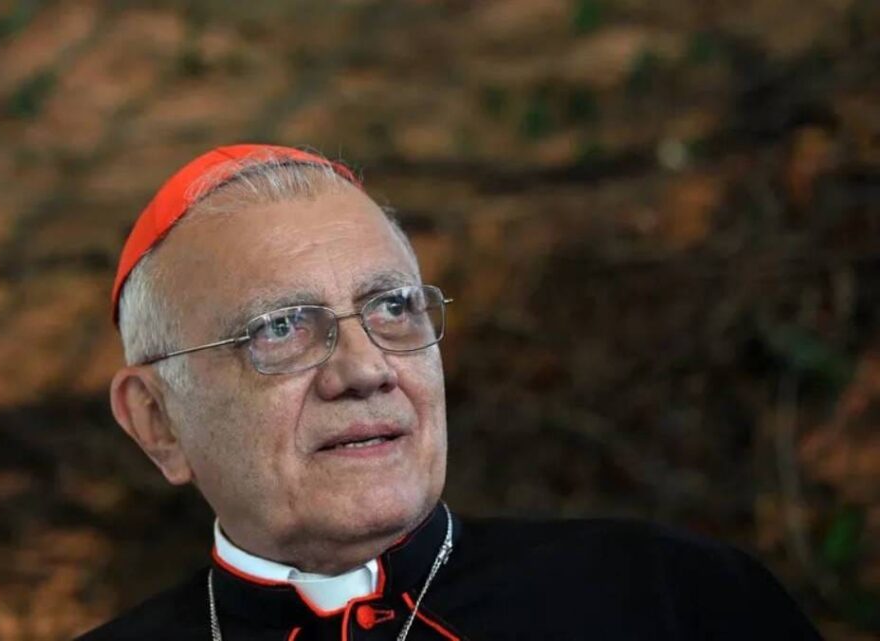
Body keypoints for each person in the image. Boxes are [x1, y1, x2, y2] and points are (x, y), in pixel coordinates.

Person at [78, 144, 822, 640]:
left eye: (392, 308)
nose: (366, 370)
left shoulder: (671, 597)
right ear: (157, 420)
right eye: (280, 328)